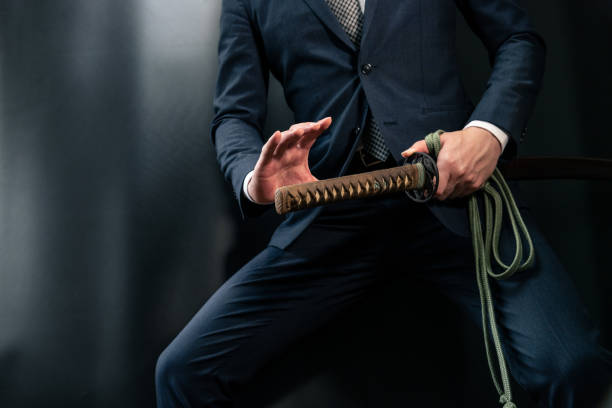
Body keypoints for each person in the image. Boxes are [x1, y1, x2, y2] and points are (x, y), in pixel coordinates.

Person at [156, 0, 612, 406]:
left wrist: (486, 133)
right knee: (182, 373)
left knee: (574, 366)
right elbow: (233, 114)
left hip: (456, 199)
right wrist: (254, 181)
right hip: (330, 212)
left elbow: (518, 39)